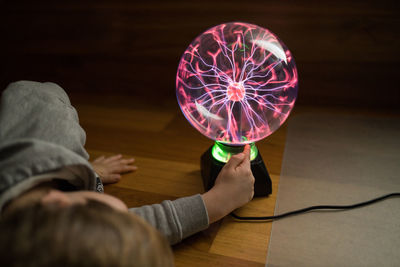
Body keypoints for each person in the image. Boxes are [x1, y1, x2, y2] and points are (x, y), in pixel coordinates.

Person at [0, 81, 255, 266]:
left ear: (56, 202)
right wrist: (215, 204)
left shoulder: (49, 122)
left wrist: (79, 169)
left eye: (123, 213)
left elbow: (31, 93)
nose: (135, 215)